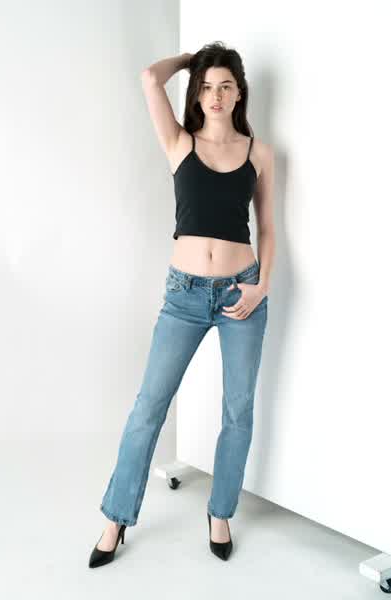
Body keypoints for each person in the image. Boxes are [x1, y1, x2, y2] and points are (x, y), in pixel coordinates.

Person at [89, 41, 275, 567]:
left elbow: (266, 228)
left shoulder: (258, 152)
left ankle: (220, 514)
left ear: (239, 94)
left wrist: (262, 286)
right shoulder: (179, 142)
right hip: (185, 296)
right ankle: (116, 518)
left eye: (226, 86)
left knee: (238, 410)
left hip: (242, 292)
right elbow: (150, 77)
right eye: (207, 86)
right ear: (197, 93)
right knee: (149, 405)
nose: (215, 95)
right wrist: (193, 60)